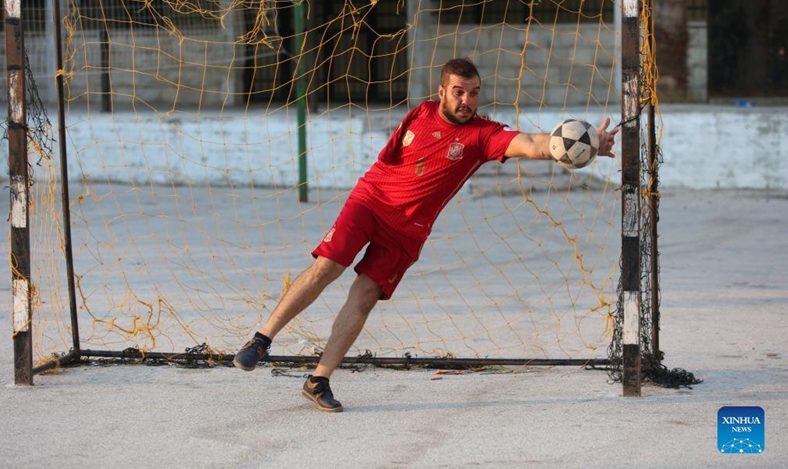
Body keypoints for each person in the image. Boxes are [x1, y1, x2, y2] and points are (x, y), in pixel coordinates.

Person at [233, 57, 619, 412]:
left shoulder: (484, 135)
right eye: (459, 92)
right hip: (371, 201)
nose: (467, 100)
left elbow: (533, 144)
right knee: (328, 266)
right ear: (441, 93)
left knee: (365, 296)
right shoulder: (419, 114)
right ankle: (261, 339)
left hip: (409, 229)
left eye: (473, 92)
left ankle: (319, 380)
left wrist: (585, 143)